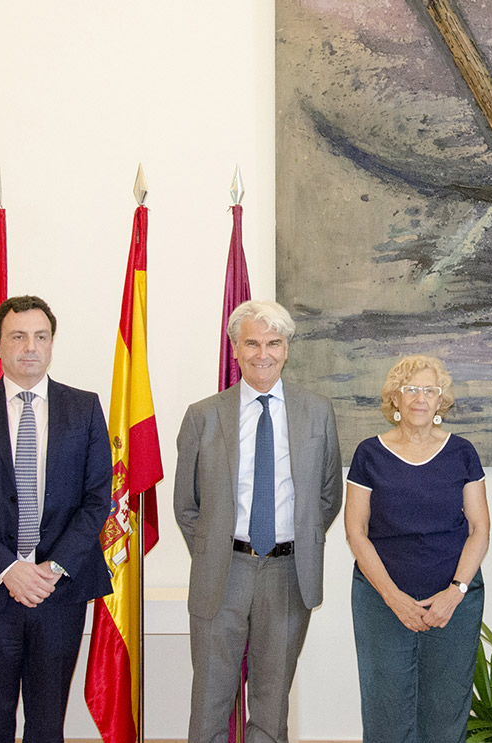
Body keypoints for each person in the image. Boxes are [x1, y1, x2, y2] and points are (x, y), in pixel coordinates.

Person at [0, 295, 113, 743]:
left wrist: (51, 568)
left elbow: (97, 500)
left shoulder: (85, 408)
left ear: (52, 343)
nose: (30, 347)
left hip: (60, 591)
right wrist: (9, 568)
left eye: (41, 336)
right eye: (18, 336)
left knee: (47, 723)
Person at [174, 299, 342, 743]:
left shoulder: (317, 411)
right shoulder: (203, 415)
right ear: (235, 349)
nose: (262, 353)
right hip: (222, 572)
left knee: (271, 704)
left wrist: (295, 542)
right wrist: (215, 551)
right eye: (252, 343)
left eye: (273, 343)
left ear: (286, 349)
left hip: (287, 574)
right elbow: (186, 505)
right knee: (210, 700)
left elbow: (327, 497)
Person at [345, 354, 490, 743]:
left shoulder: (462, 452)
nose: (420, 398)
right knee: (386, 713)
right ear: (395, 398)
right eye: (410, 389)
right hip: (381, 601)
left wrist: (455, 592)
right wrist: (393, 598)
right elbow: (356, 532)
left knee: (446, 712)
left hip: (453, 603)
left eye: (429, 390)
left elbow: (479, 529)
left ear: (441, 399)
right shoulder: (369, 454)